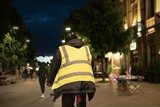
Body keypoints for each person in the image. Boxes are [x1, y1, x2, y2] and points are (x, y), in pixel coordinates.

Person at [47, 32, 96, 107]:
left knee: (67, 102)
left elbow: (54, 67)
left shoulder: (62, 49)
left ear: (66, 40)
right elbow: (91, 64)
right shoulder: (87, 49)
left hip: (68, 83)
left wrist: (49, 80)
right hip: (85, 81)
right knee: (82, 99)